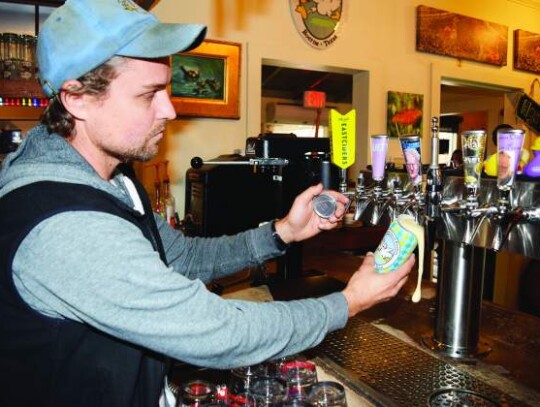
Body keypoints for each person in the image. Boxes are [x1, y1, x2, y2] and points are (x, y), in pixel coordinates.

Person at [0, 1, 414, 406]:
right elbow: (217, 332)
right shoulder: (66, 225)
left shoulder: (113, 179)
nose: (171, 109)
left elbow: (182, 257)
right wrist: (348, 302)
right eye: (149, 95)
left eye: (167, 88)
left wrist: (282, 231)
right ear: (77, 99)